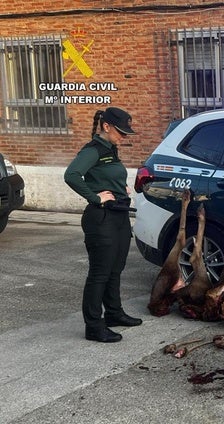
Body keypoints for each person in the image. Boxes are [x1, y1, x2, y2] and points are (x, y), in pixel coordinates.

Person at [64, 107, 142, 343]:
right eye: (121, 132)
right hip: (101, 218)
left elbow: (106, 175)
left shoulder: (111, 148)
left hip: (118, 215)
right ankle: (94, 326)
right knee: (100, 274)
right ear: (106, 127)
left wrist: (121, 188)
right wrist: (96, 197)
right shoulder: (93, 150)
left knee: (115, 269)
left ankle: (114, 314)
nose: (124, 137)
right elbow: (72, 175)